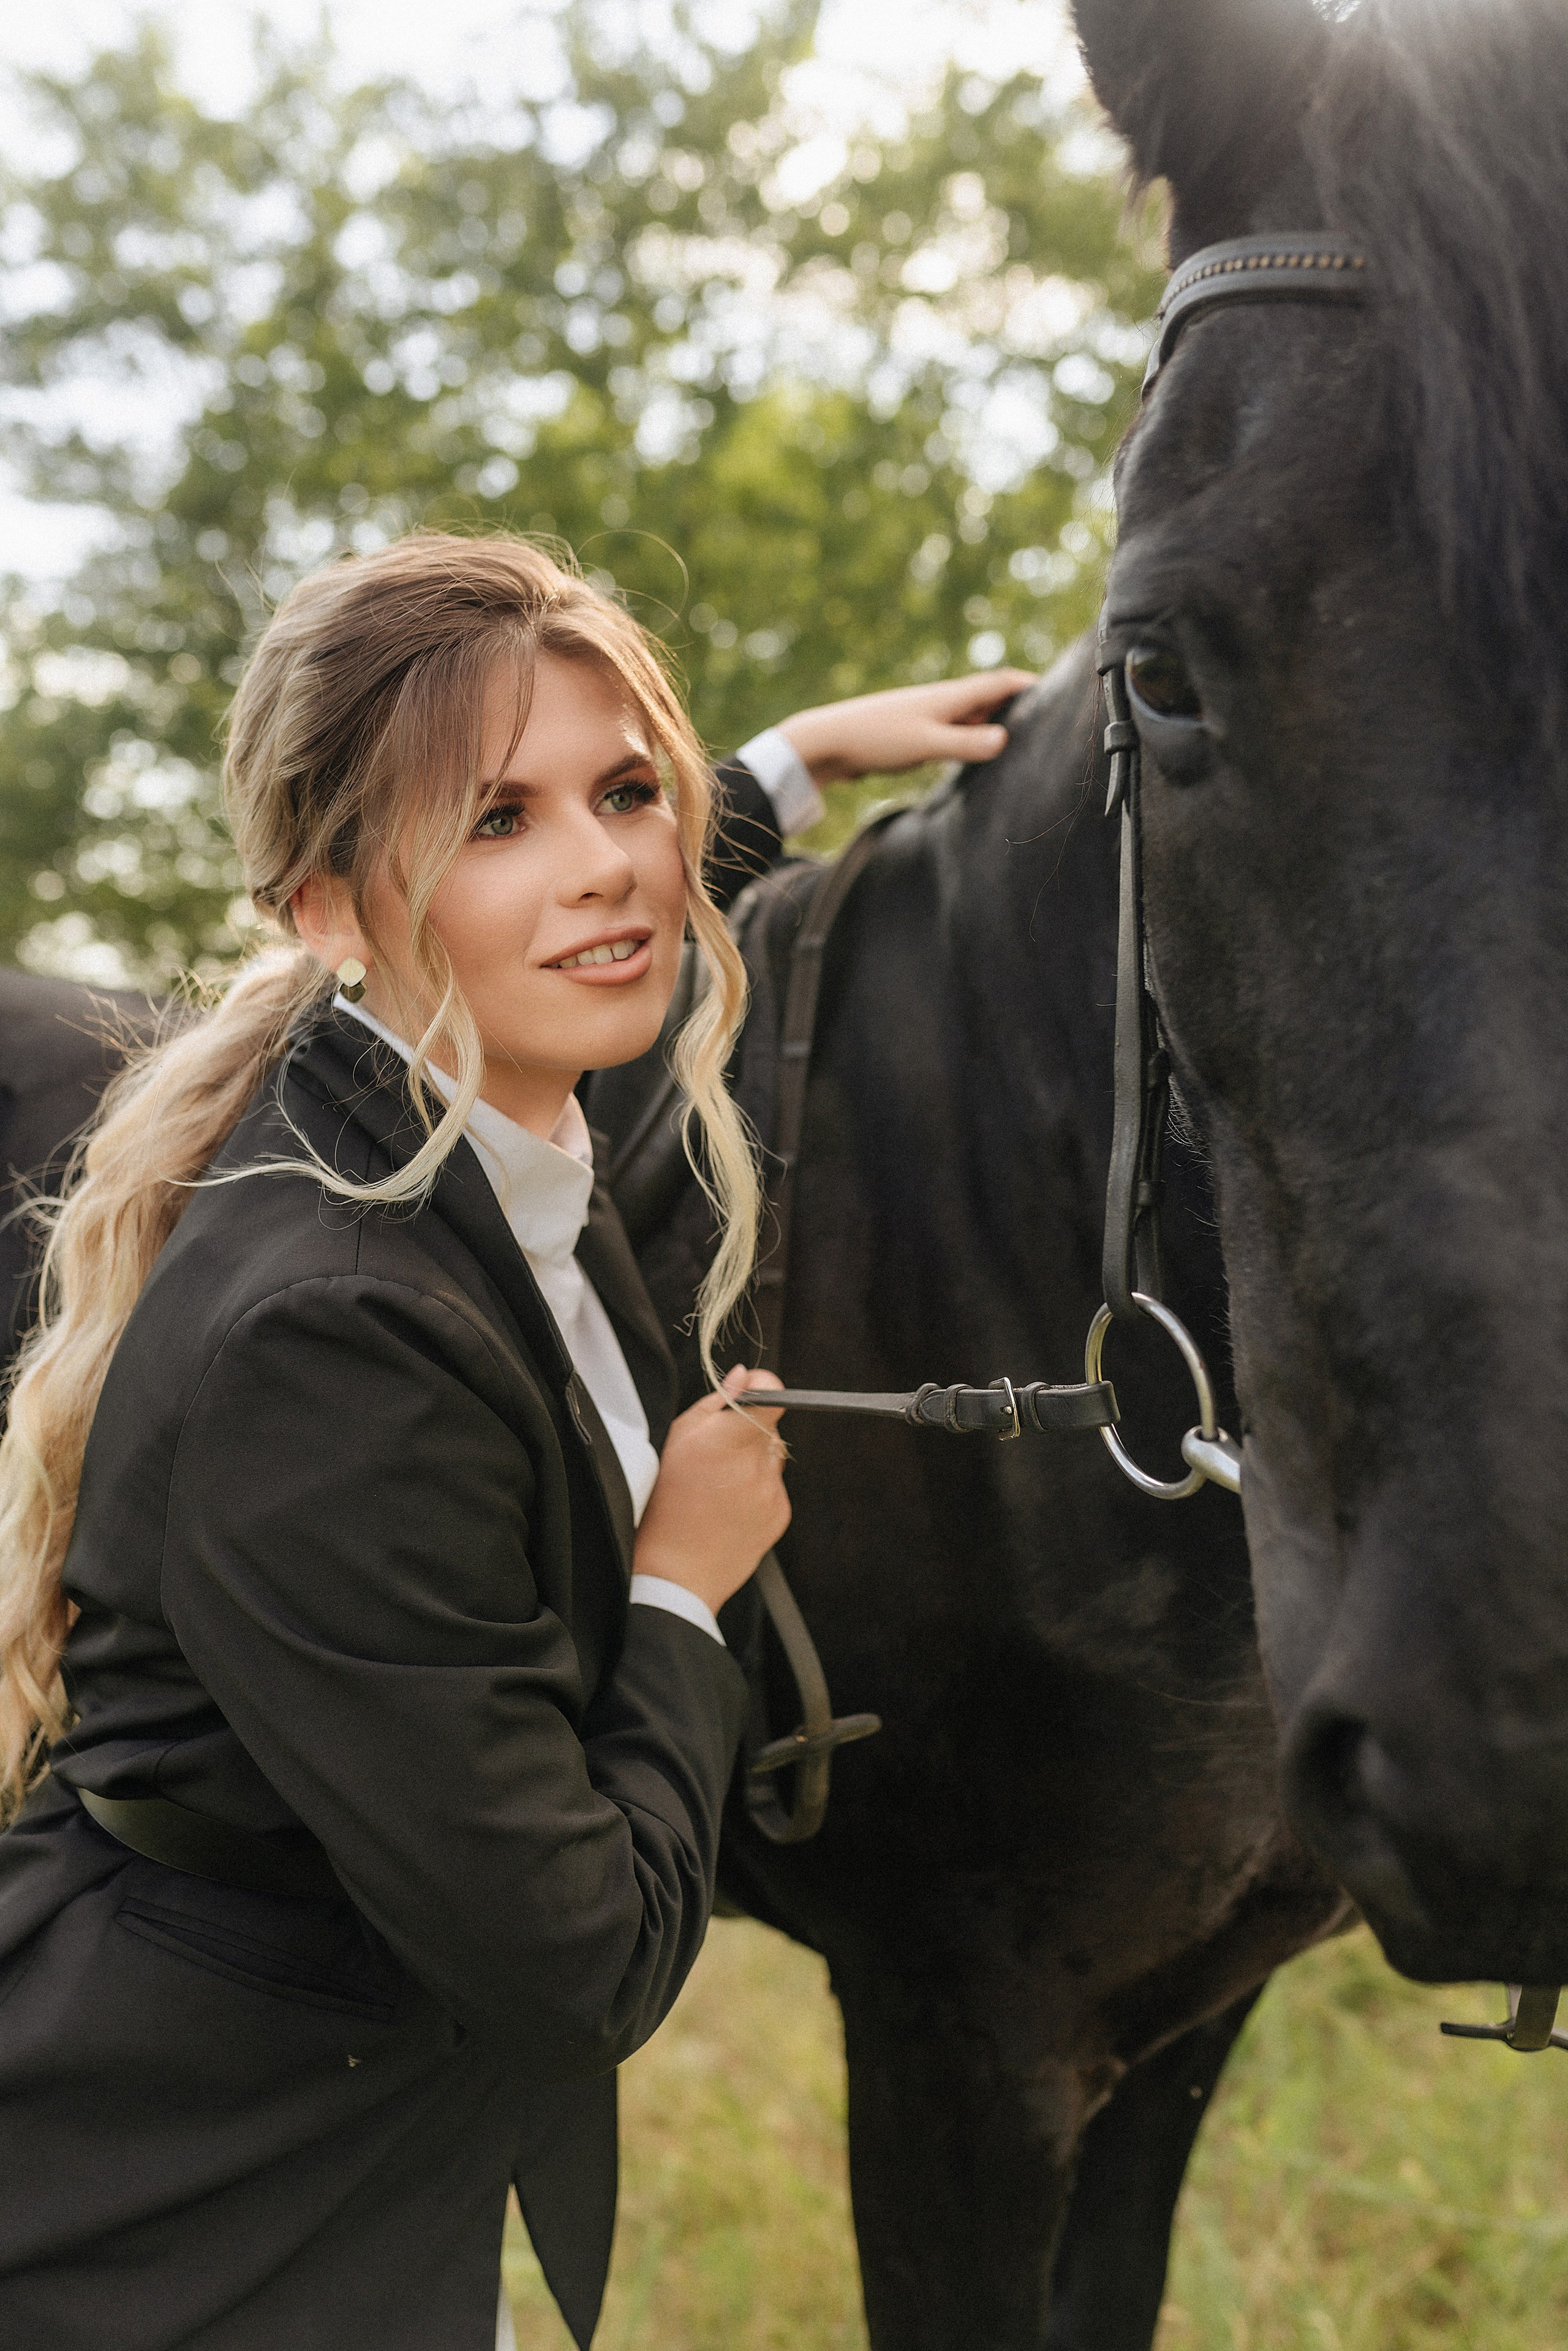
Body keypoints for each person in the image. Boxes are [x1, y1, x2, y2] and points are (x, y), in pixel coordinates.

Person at [0, 530, 1030, 2351]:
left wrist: (794, 762)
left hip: (337, 2125)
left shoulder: (445, 1091)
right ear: (327, 906)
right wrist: (680, 1595)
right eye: (499, 821)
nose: (608, 872)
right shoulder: (340, 1333)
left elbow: (608, 916)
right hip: (174, 2196)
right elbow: (582, 1970)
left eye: (627, 792)